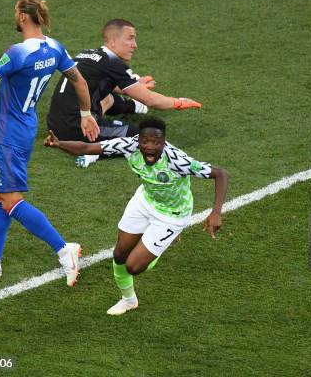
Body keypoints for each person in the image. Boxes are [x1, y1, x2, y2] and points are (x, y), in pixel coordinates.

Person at [0, 0, 100, 285]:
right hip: (23, 126)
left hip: (9, 133)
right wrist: (86, 113)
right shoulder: (54, 48)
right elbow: (79, 81)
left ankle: (64, 249)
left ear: (22, 16)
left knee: (10, 200)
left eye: (15, 11)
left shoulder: (18, 52)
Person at [44, 116, 229, 315]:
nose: (150, 146)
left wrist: (216, 212)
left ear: (164, 141)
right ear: (138, 140)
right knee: (119, 254)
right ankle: (129, 300)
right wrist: (59, 144)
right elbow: (87, 149)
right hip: (144, 202)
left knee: (133, 266)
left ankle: (168, 238)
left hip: (172, 215)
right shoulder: (128, 145)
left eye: (156, 142)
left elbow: (220, 174)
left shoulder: (178, 160)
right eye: (145, 141)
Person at [47, 18, 202, 167]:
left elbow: (101, 84)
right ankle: (92, 152)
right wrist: (179, 102)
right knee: (143, 137)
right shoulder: (112, 62)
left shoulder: (87, 53)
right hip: (78, 129)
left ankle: (134, 107)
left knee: (109, 98)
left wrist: (135, 85)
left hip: (55, 124)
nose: (134, 45)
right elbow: (151, 100)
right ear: (113, 41)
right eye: (130, 39)